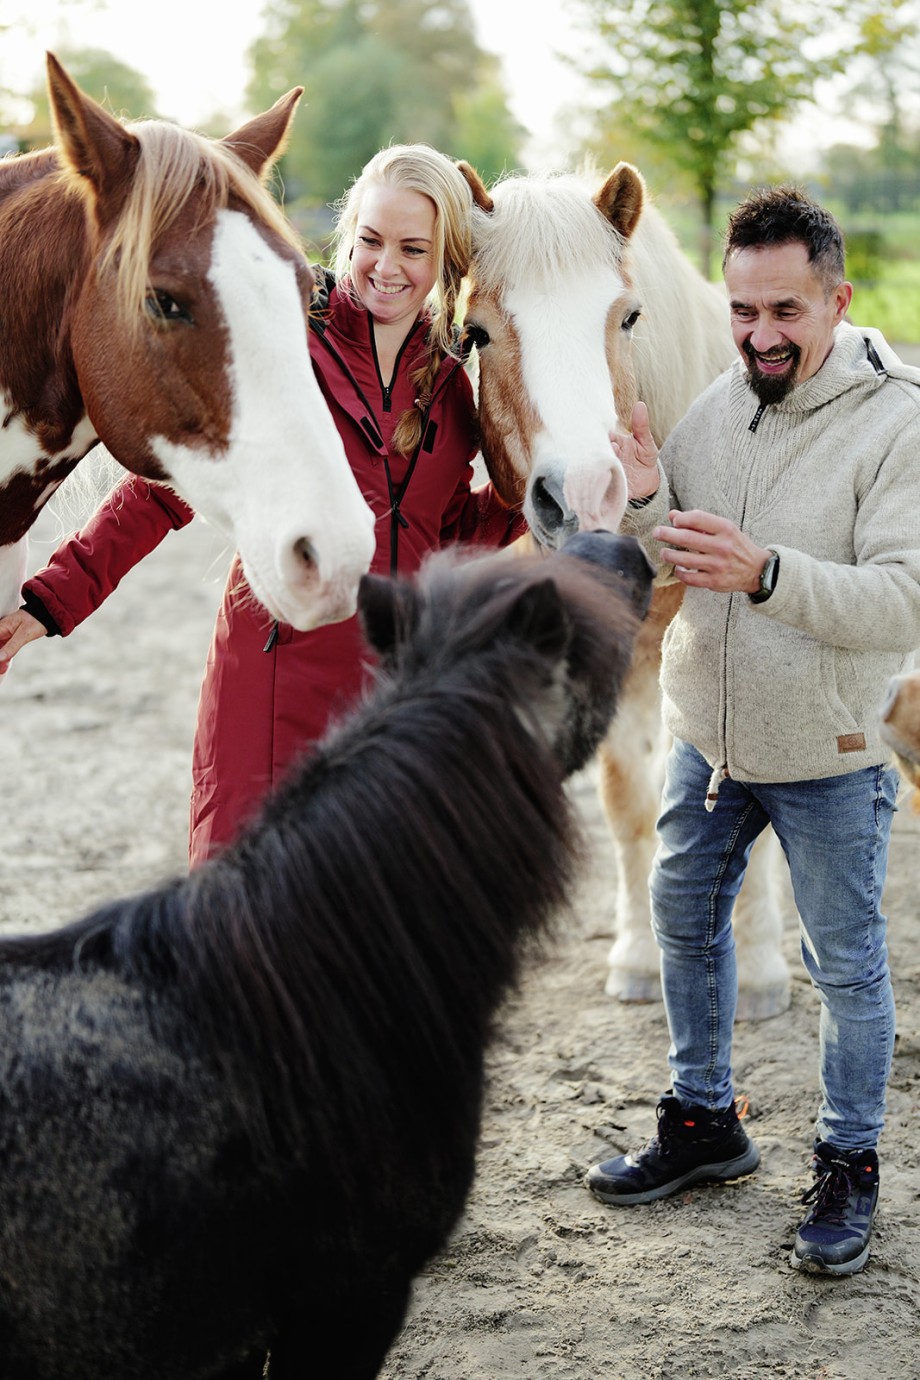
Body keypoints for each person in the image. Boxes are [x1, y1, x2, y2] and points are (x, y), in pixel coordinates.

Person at [0, 144, 524, 864]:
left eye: (413, 248)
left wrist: (533, 492)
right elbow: (160, 496)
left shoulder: (451, 387)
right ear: (348, 236)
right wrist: (50, 602)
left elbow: (453, 529)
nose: (387, 265)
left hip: (398, 691)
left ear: (445, 260)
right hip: (275, 681)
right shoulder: (286, 345)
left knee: (369, 934)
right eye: (370, 240)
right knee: (242, 932)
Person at [584, 185, 920, 1276]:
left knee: (846, 971)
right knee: (681, 922)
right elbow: (668, 545)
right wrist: (642, 500)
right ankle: (703, 1123)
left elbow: (903, 598)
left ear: (836, 299)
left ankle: (845, 1167)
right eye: (741, 312)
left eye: (784, 312)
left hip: (828, 755)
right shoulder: (715, 409)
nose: (759, 337)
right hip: (708, 743)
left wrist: (768, 573)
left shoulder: (897, 417)